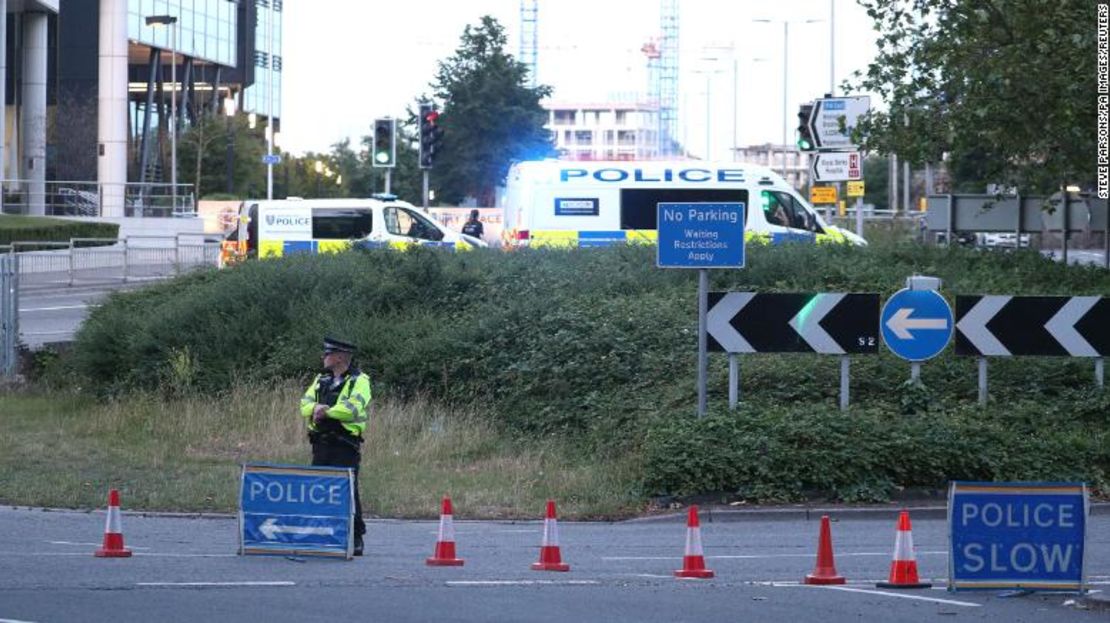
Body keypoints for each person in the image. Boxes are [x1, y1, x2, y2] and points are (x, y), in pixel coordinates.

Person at [299, 336, 372, 556]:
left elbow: (351, 409)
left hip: (345, 444)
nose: (324, 357)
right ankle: (320, 535)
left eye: (328, 353)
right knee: (319, 490)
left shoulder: (360, 380)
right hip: (321, 442)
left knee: (348, 491)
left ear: (340, 357)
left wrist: (324, 411)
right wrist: (315, 408)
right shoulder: (321, 379)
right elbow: (304, 404)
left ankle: (356, 537)